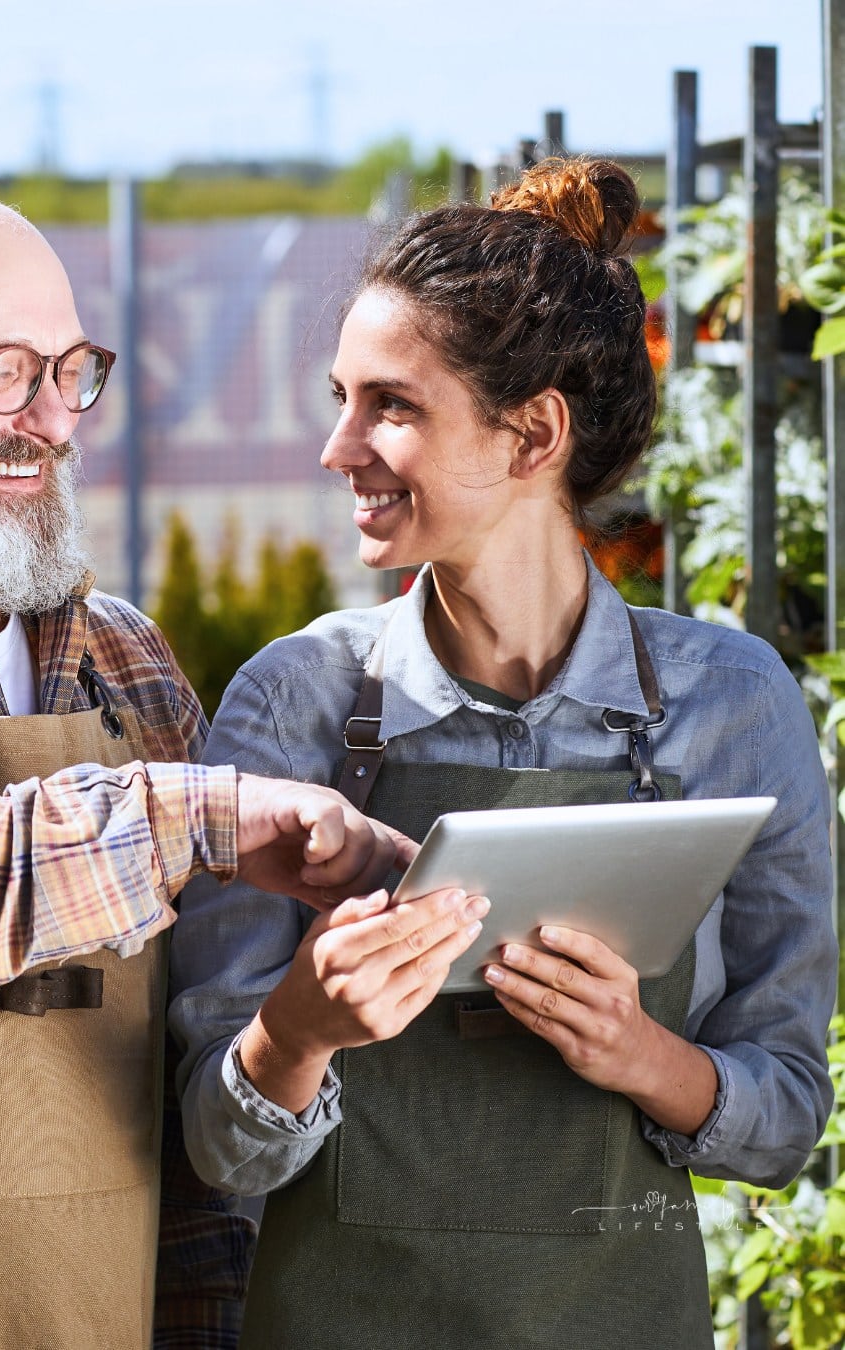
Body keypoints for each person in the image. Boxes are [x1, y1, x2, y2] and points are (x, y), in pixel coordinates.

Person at [168, 158, 838, 1350]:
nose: (338, 448)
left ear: (533, 433)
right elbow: (217, 1153)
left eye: (392, 406)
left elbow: (786, 1118)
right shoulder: (294, 706)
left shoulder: (732, 707)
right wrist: (303, 1025)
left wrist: (643, 1056)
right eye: (341, 398)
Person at [0, 184, 419, 1350]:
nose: (52, 419)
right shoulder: (188, 795)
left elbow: (183, 1077)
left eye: (69, 371)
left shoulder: (126, 657)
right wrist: (201, 816)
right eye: (0, 372)